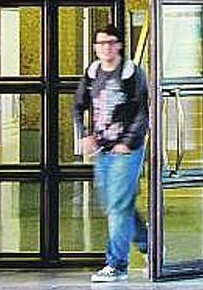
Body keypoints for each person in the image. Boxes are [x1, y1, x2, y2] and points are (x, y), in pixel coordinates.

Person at [73, 24, 149, 283]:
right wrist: (84, 135)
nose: (105, 47)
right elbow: (78, 106)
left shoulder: (131, 73)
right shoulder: (93, 72)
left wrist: (127, 142)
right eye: (101, 43)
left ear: (118, 45)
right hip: (103, 150)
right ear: (95, 47)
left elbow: (142, 113)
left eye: (110, 42)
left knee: (117, 205)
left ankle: (117, 265)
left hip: (126, 151)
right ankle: (151, 247)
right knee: (117, 205)